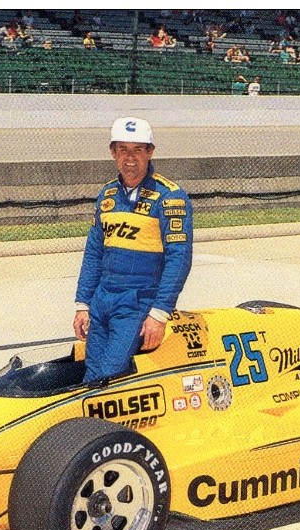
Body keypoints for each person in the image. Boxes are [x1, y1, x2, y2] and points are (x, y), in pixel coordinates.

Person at [73, 118, 193, 383]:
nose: (130, 158)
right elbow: (93, 253)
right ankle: (93, 426)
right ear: (112, 152)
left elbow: (179, 260)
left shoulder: (170, 196)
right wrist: (83, 304)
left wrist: (159, 314)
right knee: (91, 372)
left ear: (150, 152)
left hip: (137, 302)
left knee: (110, 376)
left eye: (138, 149)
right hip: (102, 300)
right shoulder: (106, 195)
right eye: (123, 149)